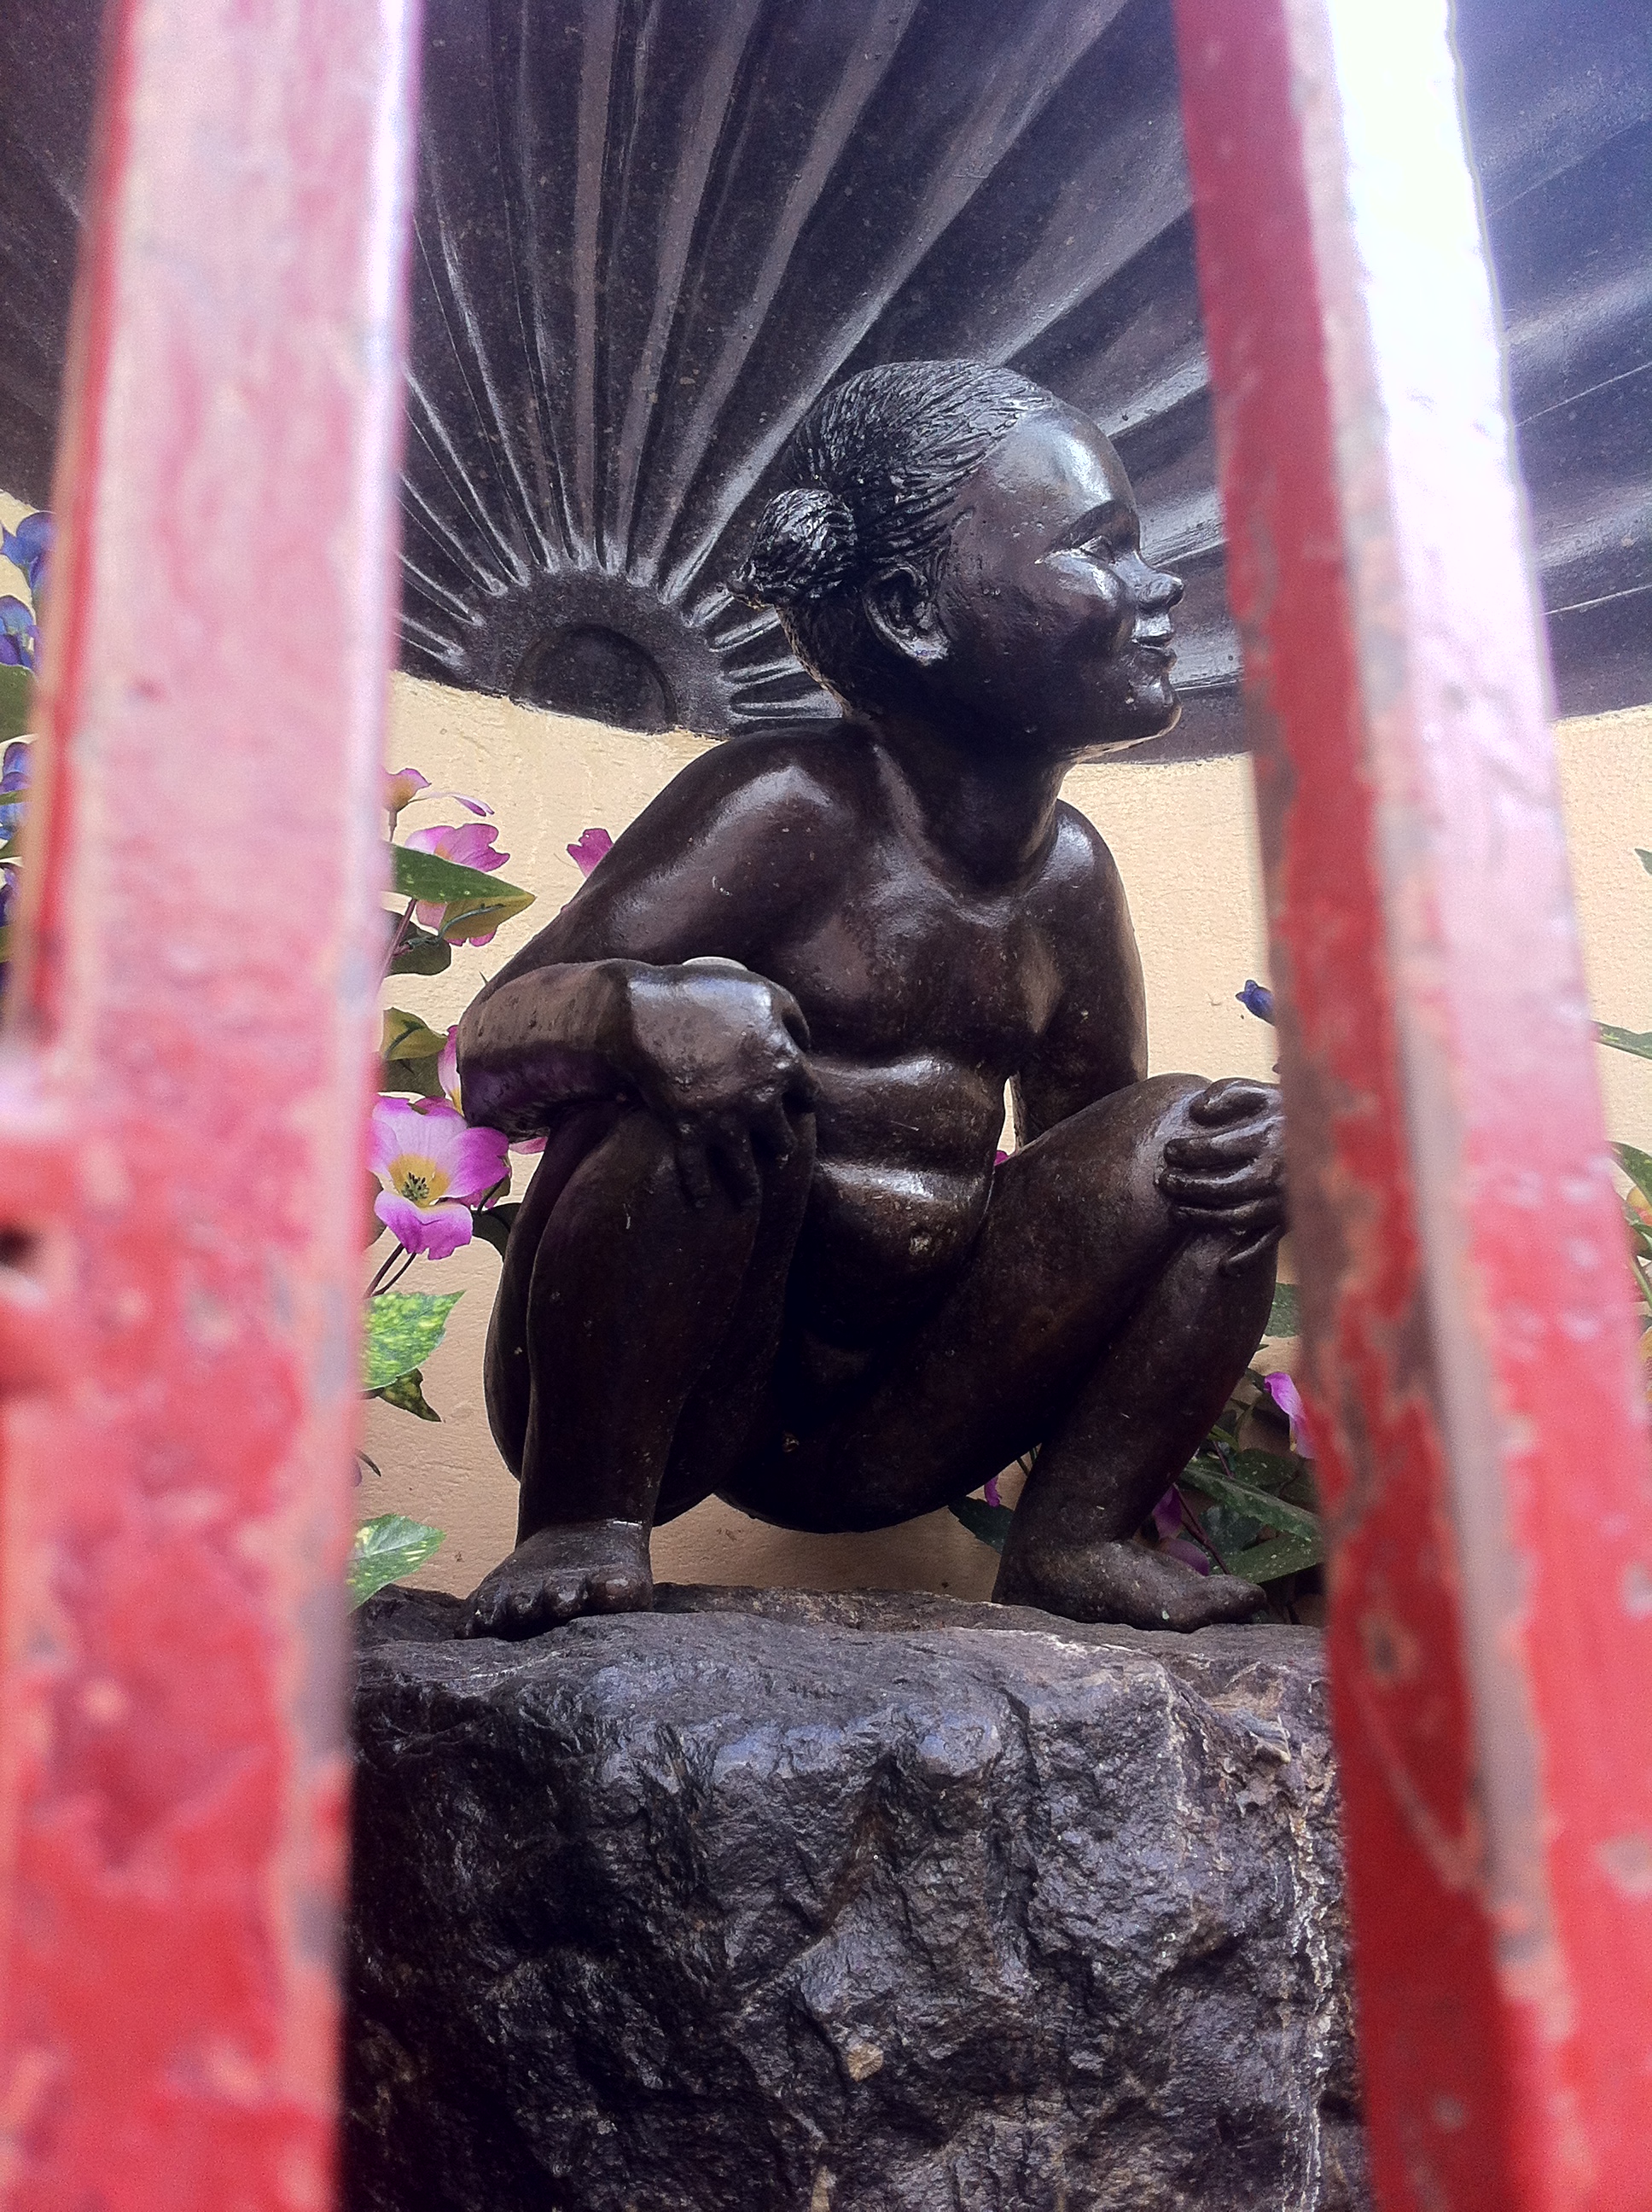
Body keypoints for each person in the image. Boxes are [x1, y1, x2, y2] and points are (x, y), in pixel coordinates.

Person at [456, 358, 1286, 1639]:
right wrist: (636, 1014)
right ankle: (581, 1522)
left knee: (1211, 1144)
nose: (1160, 585)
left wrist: (1260, 1151)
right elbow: (491, 1055)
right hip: (686, 1394)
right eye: (1099, 546)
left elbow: (1092, 1161)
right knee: (706, 1051)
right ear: (909, 608)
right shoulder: (780, 806)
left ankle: (1078, 1537)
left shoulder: (1070, 875)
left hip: (910, 1410)